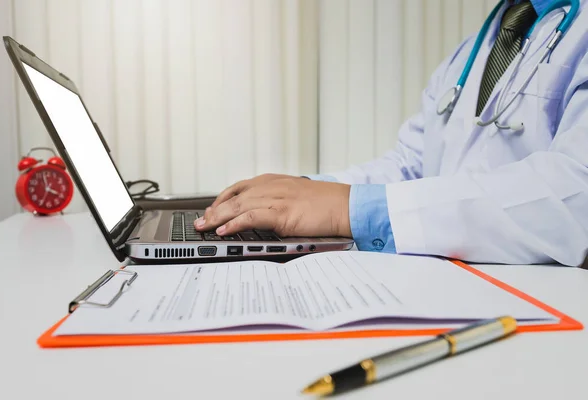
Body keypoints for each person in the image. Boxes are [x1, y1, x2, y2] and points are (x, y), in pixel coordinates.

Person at [196, 0, 588, 267]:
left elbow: (574, 195)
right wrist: (300, 192)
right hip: (457, 282)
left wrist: (344, 209)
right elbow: (411, 164)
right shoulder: (480, 43)